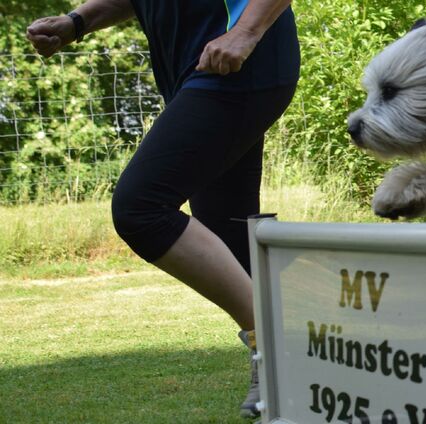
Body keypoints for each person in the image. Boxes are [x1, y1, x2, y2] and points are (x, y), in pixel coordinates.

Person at [26, 0, 299, 418]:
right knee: (226, 234)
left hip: (238, 61)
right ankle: (294, 376)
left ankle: (275, 342)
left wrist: (245, 33)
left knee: (141, 207)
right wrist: (76, 22)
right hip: (198, 71)